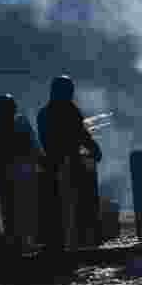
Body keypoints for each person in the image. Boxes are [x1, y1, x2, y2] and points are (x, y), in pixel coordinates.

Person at [37, 76, 102, 253]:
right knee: (75, 201)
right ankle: (76, 240)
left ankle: (56, 241)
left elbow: (45, 142)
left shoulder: (43, 113)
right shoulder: (70, 110)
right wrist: (94, 149)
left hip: (52, 163)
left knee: (55, 204)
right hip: (69, 162)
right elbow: (81, 134)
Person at [0, 94, 44, 255]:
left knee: (9, 210)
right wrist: (42, 163)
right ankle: (26, 243)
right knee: (27, 208)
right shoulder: (22, 122)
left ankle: (15, 244)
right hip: (24, 170)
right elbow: (35, 147)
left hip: (5, 172)